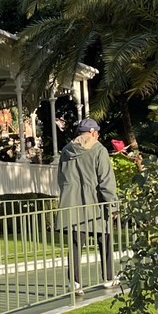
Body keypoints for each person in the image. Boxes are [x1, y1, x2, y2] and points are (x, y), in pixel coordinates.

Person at [57, 117, 117, 292]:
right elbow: (106, 180)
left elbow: (61, 178)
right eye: (97, 131)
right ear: (92, 133)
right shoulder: (99, 150)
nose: (98, 134)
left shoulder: (67, 150)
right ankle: (108, 277)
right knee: (104, 240)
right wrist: (112, 206)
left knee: (76, 245)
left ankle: (75, 284)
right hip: (96, 204)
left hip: (73, 204)